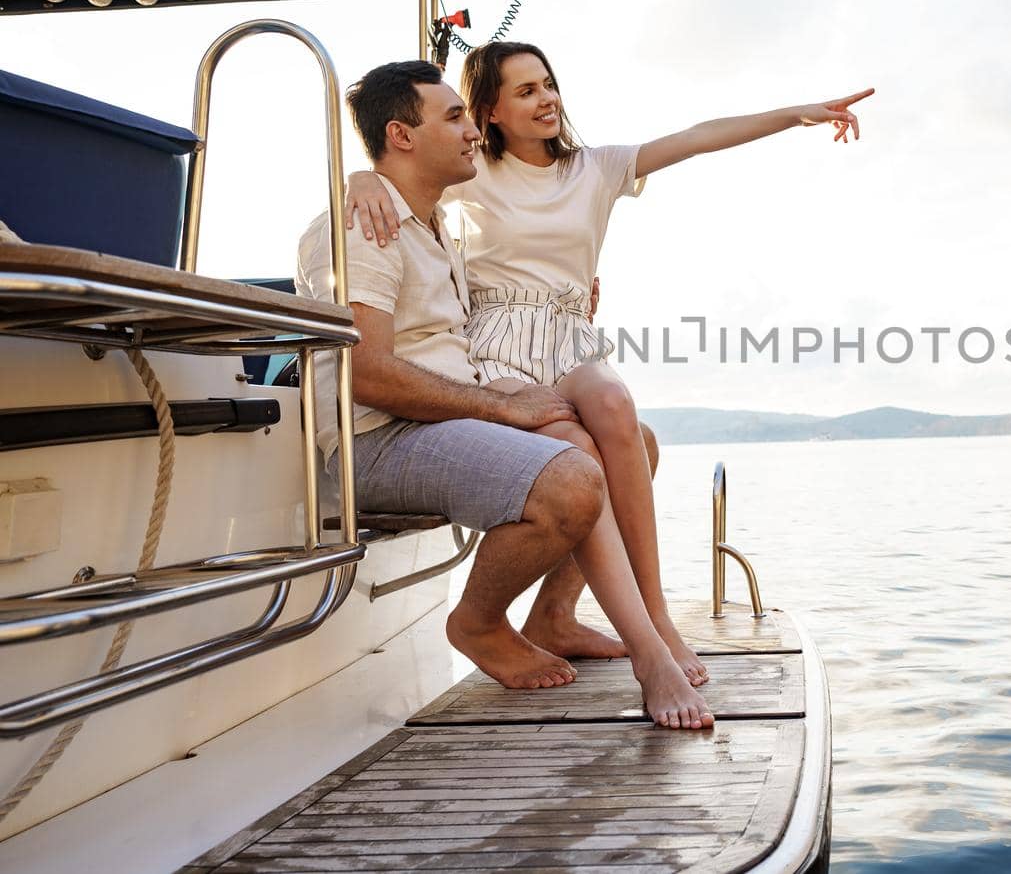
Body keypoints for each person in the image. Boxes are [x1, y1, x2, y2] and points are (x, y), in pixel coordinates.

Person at [346, 41, 873, 686]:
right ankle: (629, 637)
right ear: (490, 112)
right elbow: (401, 172)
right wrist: (361, 176)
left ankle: (639, 618)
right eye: (526, 91)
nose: (546, 100)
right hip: (496, 338)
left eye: (548, 85)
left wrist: (799, 113)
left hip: (567, 331)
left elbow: (697, 138)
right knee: (576, 454)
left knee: (622, 417)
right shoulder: (472, 167)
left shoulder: (594, 169)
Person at [298, 59, 711, 729]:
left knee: (624, 442)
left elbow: (499, 304)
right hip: (376, 438)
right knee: (574, 479)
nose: (470, 129)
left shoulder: (435, 229)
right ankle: (485, 623)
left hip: (434, 422)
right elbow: (365, 375)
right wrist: (502, 406)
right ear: (402, 137)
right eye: (454, 116)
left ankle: (557, 615)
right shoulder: (361, 225)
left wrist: (572, 304)